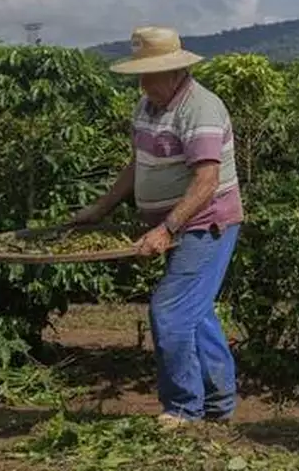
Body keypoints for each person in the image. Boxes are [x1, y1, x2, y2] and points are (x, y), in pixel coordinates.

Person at [72, 26, 244, 429]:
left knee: (169, 311)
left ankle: (183, 408)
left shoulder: (199, 108)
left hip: (205, 224)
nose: (143, 83)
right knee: (194, 311)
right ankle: (218, 403)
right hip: (180, 225)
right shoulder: (147, 106)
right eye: (140, 75)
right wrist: (101, 207)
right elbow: (138, 164)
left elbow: (206, 182)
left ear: (173, 71)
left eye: (149, 75)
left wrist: (166, 229)